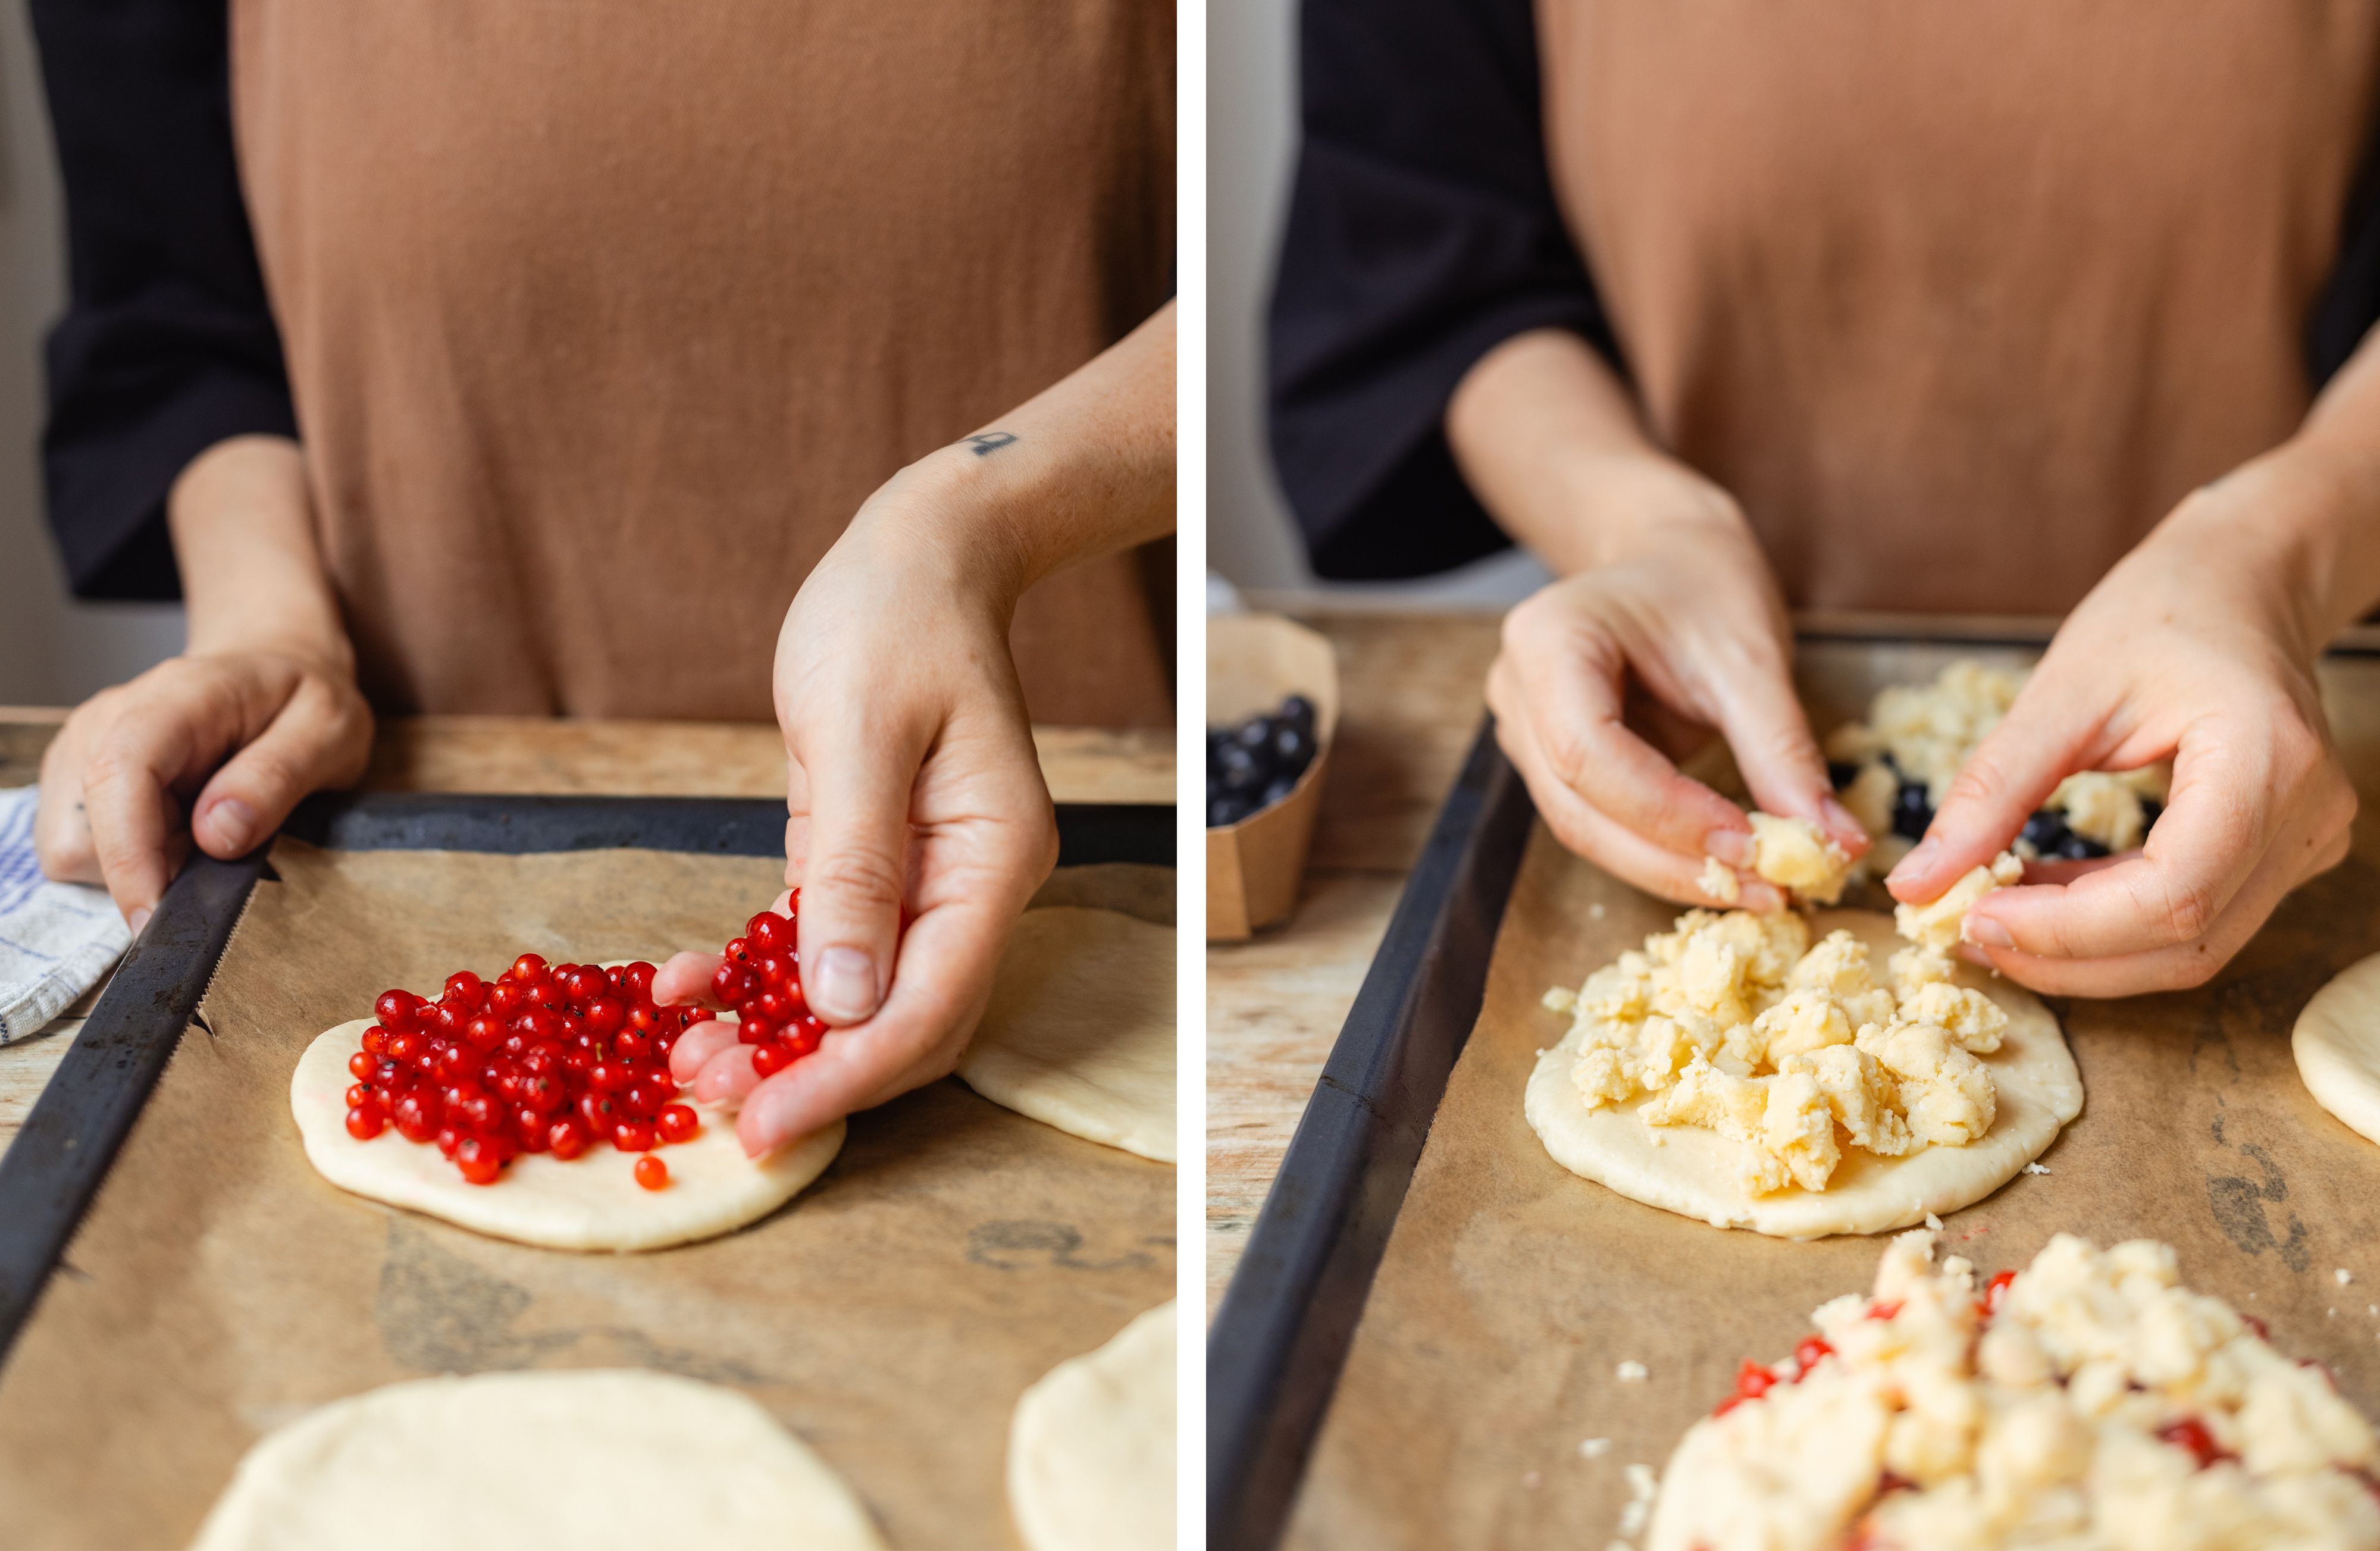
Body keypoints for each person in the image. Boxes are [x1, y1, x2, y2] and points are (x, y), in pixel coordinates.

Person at [27, 3, 1175, 1157]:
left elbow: (1300, 289)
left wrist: (968, 523)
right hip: (412, 792)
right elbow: (179, 321)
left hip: (1069, 789)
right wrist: (269, 625)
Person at [1269, 0, 2380, 997]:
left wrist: (2283, 552)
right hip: (1718, 706)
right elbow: (1426, 255)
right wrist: (1639, 526)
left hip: (2307, 665)